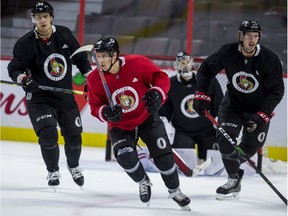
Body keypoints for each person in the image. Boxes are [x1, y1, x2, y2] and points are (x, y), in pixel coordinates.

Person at [86, 37, 191, 210]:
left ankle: (175, 190)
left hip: (146, 117)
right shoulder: (94, 79)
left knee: (164, 158)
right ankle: (143, 182)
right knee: (125, 157)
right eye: (98, 56)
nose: (101, 60)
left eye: (105, 56)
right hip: (120, 125)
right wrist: (105, 112)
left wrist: (157, 93)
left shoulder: (137, 63)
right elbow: (94, 106)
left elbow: (161, 77)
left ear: (115, 55)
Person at [192, 20, 284, 200]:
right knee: (225, 139)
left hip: (258, 109)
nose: (252, 40)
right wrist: (202, 93)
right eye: (248, 36)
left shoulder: (269, 59)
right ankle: (233, 180)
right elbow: (205, 69)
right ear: (241, 37)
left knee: (250, 148)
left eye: (256, 36)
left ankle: (233, 167)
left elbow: (277, 90)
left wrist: (261, 115)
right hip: (233, 104)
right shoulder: (227, 52)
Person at [7, 1, 92, 189]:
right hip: (39, 99)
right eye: (38, 17)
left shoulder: (64, 34)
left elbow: (80, 59)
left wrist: (90, 80)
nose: (42, 20)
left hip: (65, 99)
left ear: (51, 17)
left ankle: (74, 166)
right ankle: (53, 170)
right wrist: (23, 79)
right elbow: (13, 68)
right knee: (48, 134)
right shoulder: (25, 44)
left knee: (74, 137)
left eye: (45, 16)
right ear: (33, 19)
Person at [158, 51, 223, 162]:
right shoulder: (170, 84)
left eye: (188, 62)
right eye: (182, 62)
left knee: (214, 164)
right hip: (183, 132)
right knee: (185, 163)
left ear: (192, 62)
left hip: (208, 131)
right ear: (176, 64)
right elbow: (164, 112)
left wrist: (221, 121)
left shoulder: (207, 81)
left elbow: (219, 104)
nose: (186, 65)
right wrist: (165, 124)